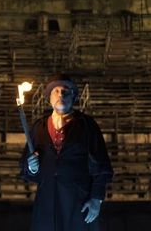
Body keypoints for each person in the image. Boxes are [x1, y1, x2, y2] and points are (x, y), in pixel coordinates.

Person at [20, 74, 113, 231]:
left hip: (78, 204)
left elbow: (102, 167)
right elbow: (27, 171)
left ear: (74, 97)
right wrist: (32, 167)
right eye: (55, 91)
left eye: (66, 91)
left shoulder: (87, 125)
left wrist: (96, 199)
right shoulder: (38, 127)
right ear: (49, 98)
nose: (60, 94)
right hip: (47, 205)